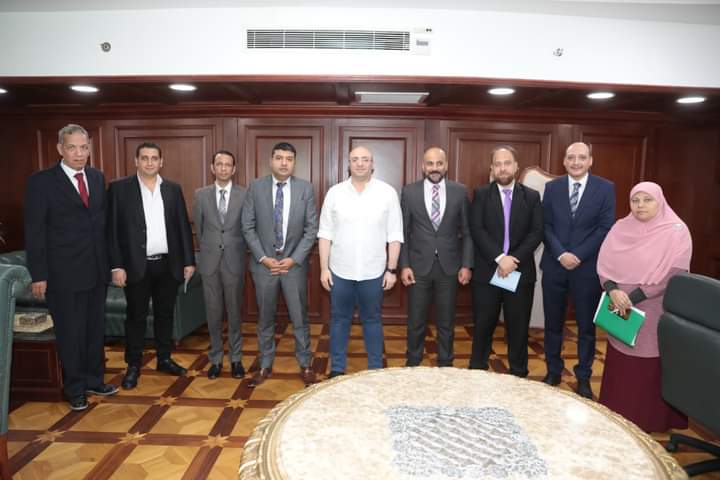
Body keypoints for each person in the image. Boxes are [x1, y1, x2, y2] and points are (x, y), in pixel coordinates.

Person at [24, 124, 117, 410]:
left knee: (94, 330)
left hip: (96, 270)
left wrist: (112, 264)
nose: (79, 153)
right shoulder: (41, 182)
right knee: (70, 332)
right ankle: (75, 387)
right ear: (60, 149)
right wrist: (39, 274)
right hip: (62, 273)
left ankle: (94, 379)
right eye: (72, 147)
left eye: (83, 147)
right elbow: (35, 231)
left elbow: (103, 226)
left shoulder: (96, 177)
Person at [597, 181, 692, 432]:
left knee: (648, 362)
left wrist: (635, 296)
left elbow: (674, 273)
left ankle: (649, 420)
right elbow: (604, 264)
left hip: (653, 307)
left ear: (659, 201)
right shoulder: (620, 227)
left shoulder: (676, 231)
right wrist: (613, 290)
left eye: (647, 200)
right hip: (618, 303)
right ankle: (617, 413)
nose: (640, 205)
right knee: (621, 359)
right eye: (635, 200)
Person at [107, 142, 195, 389]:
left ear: (161, 162)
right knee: (136, 316)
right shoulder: (119, 189)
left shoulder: (172, 189)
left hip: (168, 265)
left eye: (154, 158)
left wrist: (188, 261)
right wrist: (116, 266)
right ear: (136, 161)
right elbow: (111, 231)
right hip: (136, 266)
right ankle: (133, 365)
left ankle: (164, 359)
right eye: (144, 158)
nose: (149, 162)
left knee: (165, 315)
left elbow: (182, 226)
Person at [318, 146, 403, 378]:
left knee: (372, 320)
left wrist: (392, 270)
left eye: (365, 159)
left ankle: (375, 369)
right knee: (339, 321)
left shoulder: (387, 193)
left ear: (372, 164)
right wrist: (324, 268)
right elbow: (325, 234)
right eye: (355, 159)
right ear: (349, 164)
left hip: (374, 272)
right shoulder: (334, 193)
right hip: (339, 271)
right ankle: (337, 369)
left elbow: (395, 235)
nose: (360, 163)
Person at [540, 142, 615, 399]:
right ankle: (553, 371)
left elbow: (605, 227)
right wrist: (561, 253)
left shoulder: (605, 188)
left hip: (587, 269)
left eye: (581, 157)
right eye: (571, 157)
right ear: (564, 161)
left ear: (590, 161)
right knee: (553, 323)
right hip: (555, 265)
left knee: (586, 327)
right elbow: (545, 225)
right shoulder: (553, 188)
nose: (576, 162)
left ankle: (583, 376)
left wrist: (578, 255)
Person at [241, 142, 318, 387]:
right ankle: (265, 364)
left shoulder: (305, 188)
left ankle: (305, 363)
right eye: (279, 158)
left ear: (294, 162)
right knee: (265, 318)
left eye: (289, 158)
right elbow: (247, 226)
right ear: (271, 161)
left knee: (300, 317)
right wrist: (264, 258)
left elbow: (311, 229)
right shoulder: (256, 187)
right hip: (264, 266)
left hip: (294, 266)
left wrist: (293, 259)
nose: (284, 163)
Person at [468, 145, 543, 377]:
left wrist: (513, 260)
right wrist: (501, 258)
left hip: (520, 273)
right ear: (492, 168)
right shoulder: (481, 194)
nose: (503, 168)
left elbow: (536, 232)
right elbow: (477, 229)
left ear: (516, 166)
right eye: (498, 164)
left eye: (507, 163)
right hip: (487, 272)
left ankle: (518, 375)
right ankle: (477, 372)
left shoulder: (532, 196)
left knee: (518, 329)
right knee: (483, 327)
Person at [399, 147, 473, 367]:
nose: (434, 168)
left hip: (449, 267)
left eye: (439, 163)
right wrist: (404, 265)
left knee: (446, 322)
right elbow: (403, 232)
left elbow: (467, 232)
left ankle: (445, 363)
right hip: (418, 267)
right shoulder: (409, 192)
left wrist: (467, 264)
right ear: (423, 166)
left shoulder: (460, 191)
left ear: (446, 165)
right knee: (416, 321)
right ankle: (413, 363)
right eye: (430, 163)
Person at [193, 150, 247, 380]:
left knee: (234, 313)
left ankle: (236, 359)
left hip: (234, 261)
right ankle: (215, 359)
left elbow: (248, 227)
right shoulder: (201, 195)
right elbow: (199, 228)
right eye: (219, 164)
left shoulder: (245, 194)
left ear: (234, 169)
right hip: (210, 262)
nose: (223, 168)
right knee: (213, 313)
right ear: (212, 168)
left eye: (228, 164)